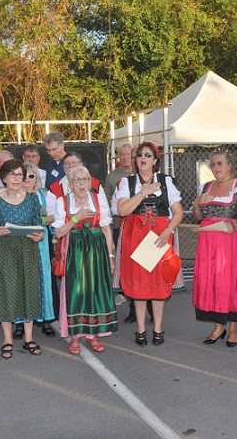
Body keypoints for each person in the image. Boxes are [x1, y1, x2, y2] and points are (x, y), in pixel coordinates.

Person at [116, 141, 184, 346]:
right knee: (139, 287)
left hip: (159, 236)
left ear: (155, 160)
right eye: (140, 155)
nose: (143, 158)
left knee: (158, 284)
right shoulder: (126, 183)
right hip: (135, 237)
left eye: (147, 155)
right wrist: (143, 193)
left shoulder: (166, 182)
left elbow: (179, 212)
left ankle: (158, 329)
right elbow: (123, 211)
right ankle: (140, 329)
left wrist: (168, 230)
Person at [0, 159, 45, 359]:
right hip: (4, 251)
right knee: (6, 293)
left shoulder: (32, 199)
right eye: (13, 175)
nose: (17, 179)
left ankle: (28, 338)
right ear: (4, 178)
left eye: (20, 175)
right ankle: (7, 339)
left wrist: (40, 235)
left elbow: (38, 226)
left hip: (27, 250)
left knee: (29, 290)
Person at [192, 148, 237, 347]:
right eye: (213, 164)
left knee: (230, 282)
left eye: (220, 163)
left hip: (230, 240)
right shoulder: (206, 187)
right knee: (213, 283)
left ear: (230, 165)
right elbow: (198, 216)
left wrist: (234, 225)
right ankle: (219, 326)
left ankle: (233, 327)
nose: (216, 167)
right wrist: (197, 203)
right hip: (208, 242)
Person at [54, 166, 118, 354]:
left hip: (97, 251)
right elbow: (58, 232)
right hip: (75, 250)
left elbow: (106, 229)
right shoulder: (62, 202)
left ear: (90, 182)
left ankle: (92, 333)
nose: (81, 183)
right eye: (77, 180)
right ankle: (75, 334)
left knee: (94, 290)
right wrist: (76, 219)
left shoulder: (98, 199)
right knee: (75, 291)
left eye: (85, 179)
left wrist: (111, 256)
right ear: (70, 184)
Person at [12, 163, 55, 339]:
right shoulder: (12, 196)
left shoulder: (45, 195)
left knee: (42, 279)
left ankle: (44, 319)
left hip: (40, 240)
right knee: (20, 279)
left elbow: (54, 217)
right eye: (23, 176)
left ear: (36, 178)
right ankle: (20, 322)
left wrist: (36, 220)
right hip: (19, 240)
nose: (27, 180)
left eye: (31, 176)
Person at [105, 143, 135, 323]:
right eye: (121, 155)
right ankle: (125, 298)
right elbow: (107, 199)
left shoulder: (140, 174)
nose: (124, 157)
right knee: (121, 264)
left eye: (127, 154)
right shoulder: (112, 176)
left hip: (138, 226)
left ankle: (140, 303)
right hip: (118, 226)